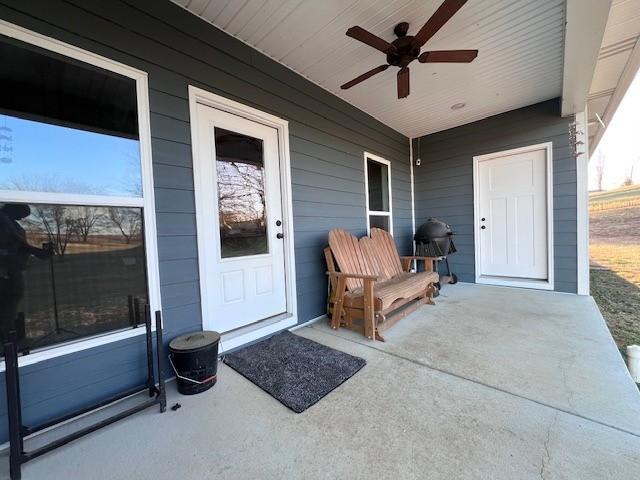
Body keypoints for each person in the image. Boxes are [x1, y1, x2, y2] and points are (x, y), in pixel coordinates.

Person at [0, 203, 54, 344]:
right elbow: (17, 245)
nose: (23, 219)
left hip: (13, 271)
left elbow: (20, 246)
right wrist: (36, 252)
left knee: (10, 309)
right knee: (7, 309)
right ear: (13, 210)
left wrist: (37, 253)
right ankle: (7, 342)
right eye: (22, 215)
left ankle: (9, 339)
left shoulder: (10, 223)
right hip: (6, 274)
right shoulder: (3, 222)